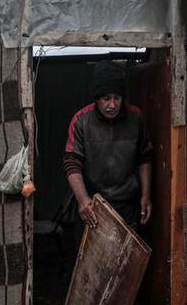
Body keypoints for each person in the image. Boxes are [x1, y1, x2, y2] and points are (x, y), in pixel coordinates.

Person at [62, 62, 153, 234]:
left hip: (128, 205)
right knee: (92, 259)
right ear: (97, 98)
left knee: (126, 258)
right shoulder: (81, 120)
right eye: (106, 98)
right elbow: (72, 162)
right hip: (93, 205)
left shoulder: (136, 117)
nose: (112, 105)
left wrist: (145, 195)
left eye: (117, 98)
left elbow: (145, 157)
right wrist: (82, 200)